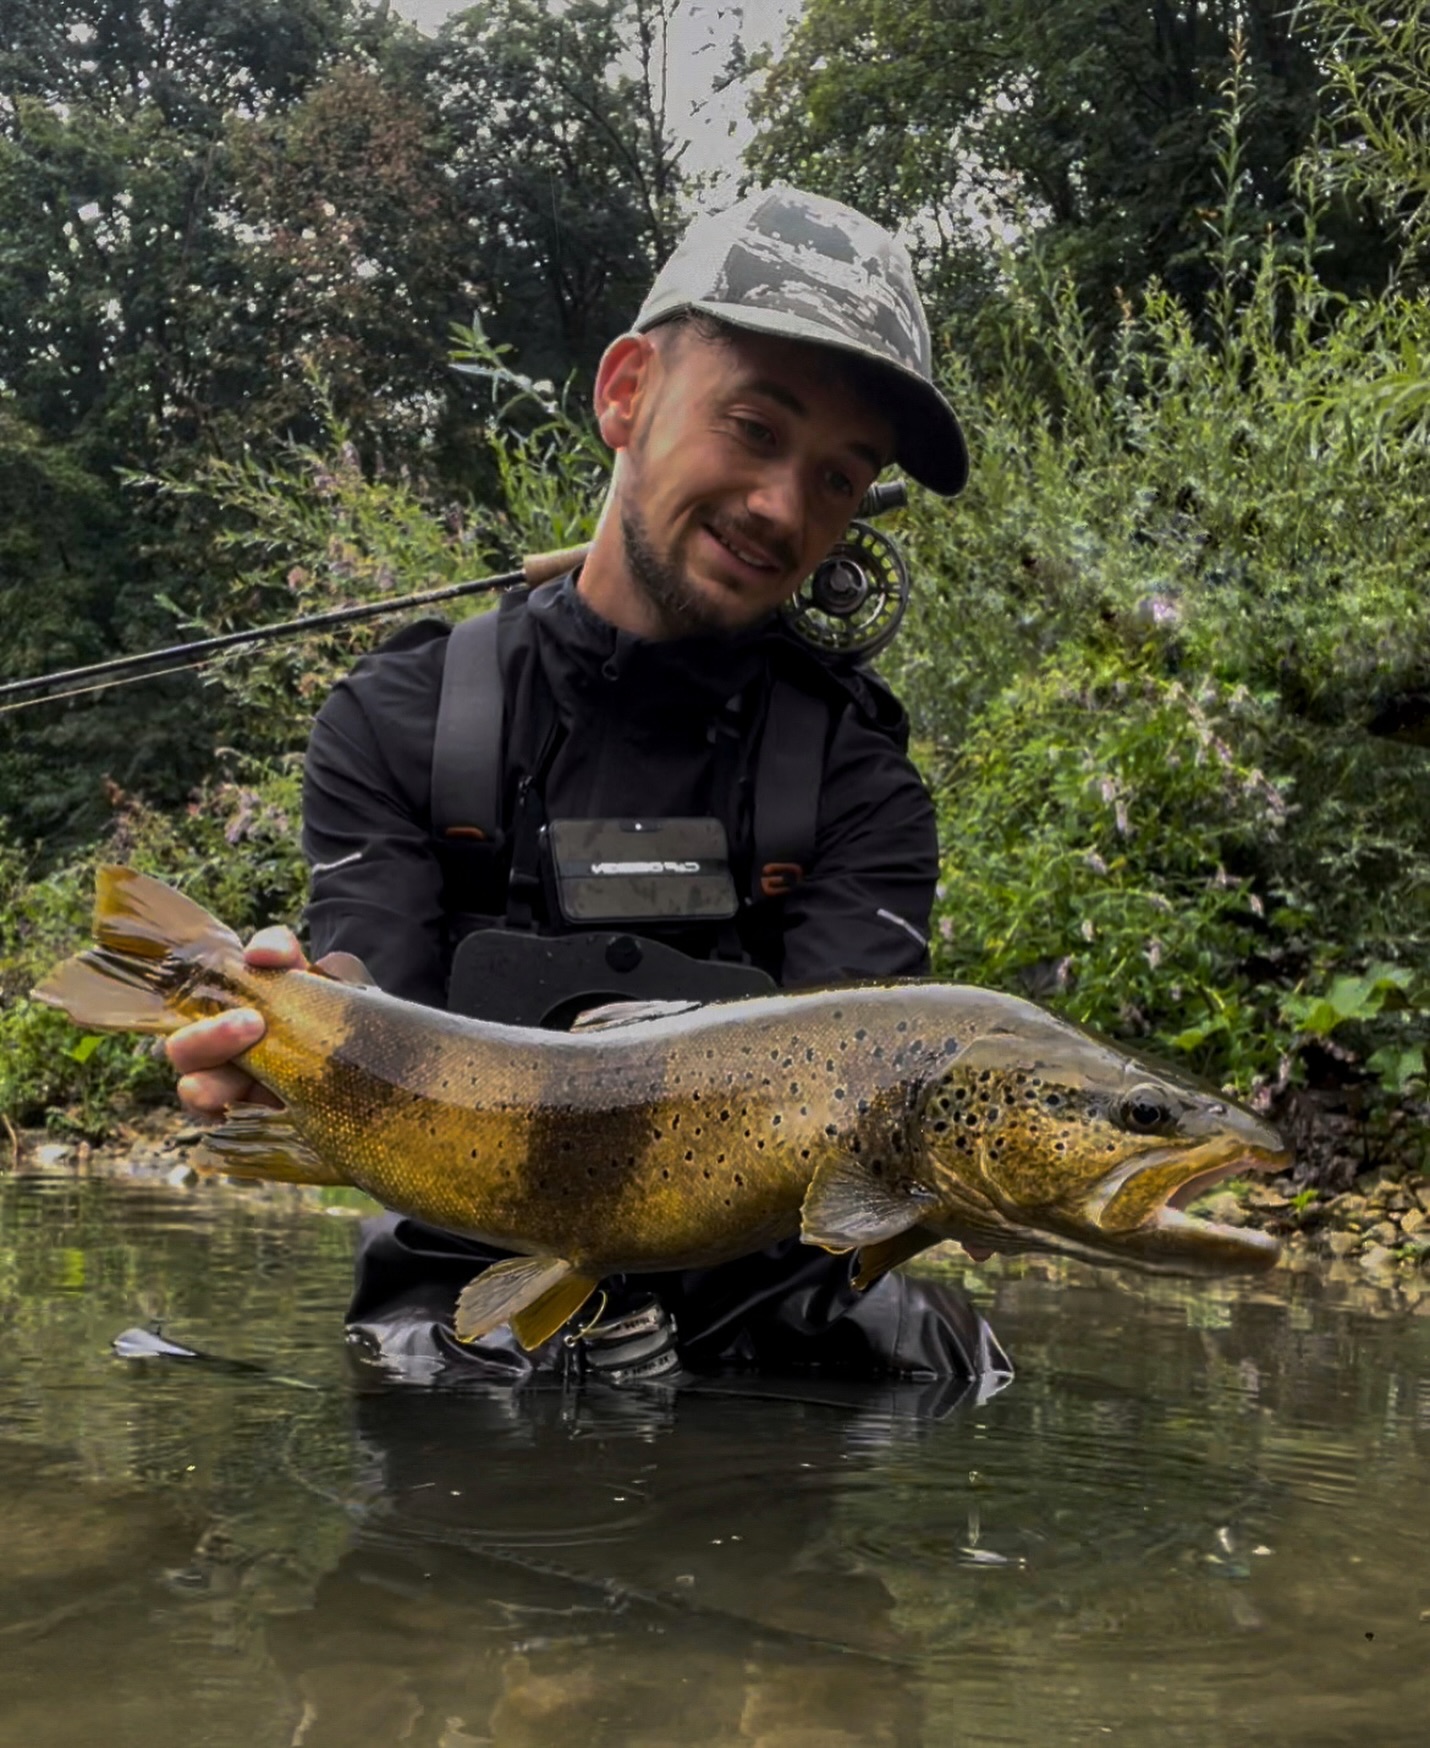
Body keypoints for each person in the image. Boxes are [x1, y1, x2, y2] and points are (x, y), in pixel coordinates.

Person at [168, 185, 1011, 1395]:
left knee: (948, 1366)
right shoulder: (399, 719)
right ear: (625, 393)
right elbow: (373, 996)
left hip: (769, 1305)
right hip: (466, 1287)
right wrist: (285, 1044)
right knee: (444, 1397)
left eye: (839, 477)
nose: (783, 506)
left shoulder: (859, 778)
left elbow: (860, 1105)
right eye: (753, 428)